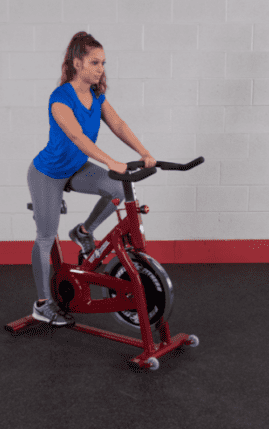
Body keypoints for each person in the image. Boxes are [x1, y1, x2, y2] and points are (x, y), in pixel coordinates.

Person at [28, 31, 157, 326]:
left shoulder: (97, 95)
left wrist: (144, 151)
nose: (101, 69)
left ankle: (84, 232)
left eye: (103, 63)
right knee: (46, 237)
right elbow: (76, 136)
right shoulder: (60, 98)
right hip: (47, 174)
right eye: (95, 62)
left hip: (75, 169)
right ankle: (42, 304)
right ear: (77, 63)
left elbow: (119, 125)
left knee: (117, 187)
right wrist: (111, 160)